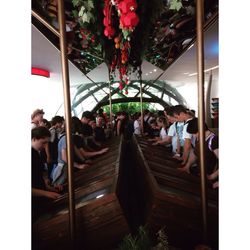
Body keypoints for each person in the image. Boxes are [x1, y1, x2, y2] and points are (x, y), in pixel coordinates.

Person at [32, 126, 63, 220]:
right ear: (34, 139)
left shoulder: (36, 153)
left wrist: (51, 189)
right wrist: (46, 193)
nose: (45, 146)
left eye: (47, 143)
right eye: (43, 142)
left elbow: (37, 180)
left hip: (39, 199)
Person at [182, 118, 219, 185]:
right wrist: (188, 165)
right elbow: (195, 153)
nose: (194, 135)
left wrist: (213, 176)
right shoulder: (199, 138)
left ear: (201, 129)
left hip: (209, 178)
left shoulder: (213, 140)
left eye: (195, 133)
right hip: (200, 174)